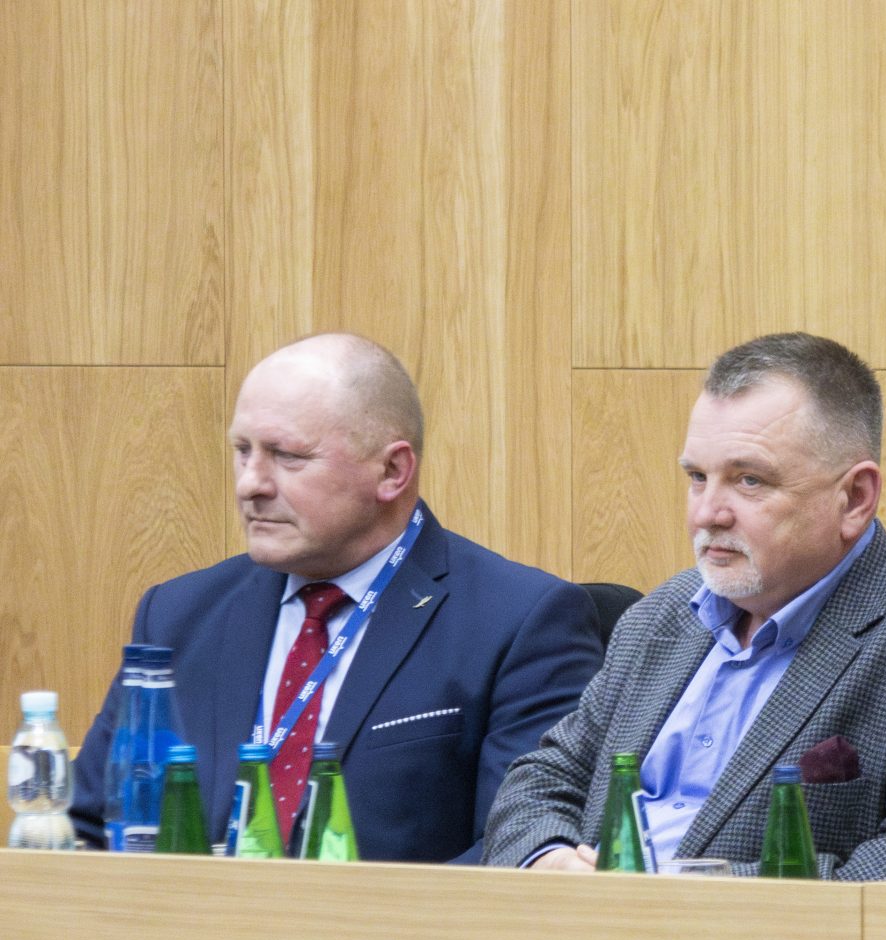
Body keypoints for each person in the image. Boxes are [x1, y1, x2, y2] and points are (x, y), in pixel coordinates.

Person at [483, 331, 886, 879]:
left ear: (855, 498)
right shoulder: (661, 615)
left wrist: (671, 895)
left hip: (752, 937)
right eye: (698, 478)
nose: (708, 514)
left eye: (749, 480)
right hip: (579, 924)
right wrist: (549, 857)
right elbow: (544, 777)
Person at [70, 332, 603, 863]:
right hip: (187, 915)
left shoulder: (520, 621)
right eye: (243, 451)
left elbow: (517, 846)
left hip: (392, 919)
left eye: (287, 456)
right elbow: (92, 825)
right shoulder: (178, 615)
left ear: (392, 471)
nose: (250, 484)